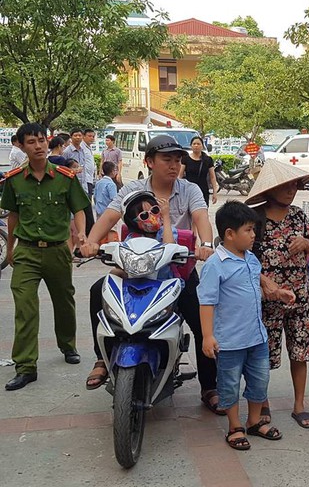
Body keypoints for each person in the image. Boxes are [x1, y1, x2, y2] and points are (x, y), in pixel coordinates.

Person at [79, 135, 218, 412]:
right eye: (167, 159)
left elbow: (202, 219)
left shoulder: (189, 190)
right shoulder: (133, 189)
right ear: (149, 162)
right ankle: (101, 359)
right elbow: (109, 215)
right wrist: (90, 243)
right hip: (136, 268)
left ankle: (210, 386)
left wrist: (204, 245)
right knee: (99, 290)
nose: (174, 165)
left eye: (178, 160)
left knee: (203, 317)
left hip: (179, 269)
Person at [1, 123, 90, 391]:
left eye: (41, 140)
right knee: (25, 307)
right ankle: (26, 366)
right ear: (21, 146)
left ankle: (68, 345)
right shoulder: (15, 180)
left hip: (56, 251)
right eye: (31, 142)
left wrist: (82, 235)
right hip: (26, 251)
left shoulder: (65, 177)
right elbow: (13, 216)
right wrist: (10, 248)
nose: (38, 146)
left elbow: (79, 209)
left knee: (64, 301)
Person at [199, 201, 286, 450]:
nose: (253, 235)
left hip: (256, 337)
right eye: (248, 230)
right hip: (229, 342)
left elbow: (255, 286)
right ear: (229, 234)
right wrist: (207, 336)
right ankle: (235, 426)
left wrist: (277, 292)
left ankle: (255, 421)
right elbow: (206, 302)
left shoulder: (251, 258)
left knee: (260, 380)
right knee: (229, 384)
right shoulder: (215, 265)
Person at [245, 160, 309, 428]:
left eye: (294, 185)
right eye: (285, 185)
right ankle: (261, 401)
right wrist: (264, 281)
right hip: (266, 300)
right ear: (270, 189)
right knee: (262, 354)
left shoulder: (300, 216)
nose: (291, 190)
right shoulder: (254, 219)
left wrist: (306, 243)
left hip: (299, 298)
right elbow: (241, 256)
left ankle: (299, 404)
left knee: (300, 352)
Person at [63, 128, 95, 236]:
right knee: (77, 213)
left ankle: (89, 237)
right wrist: (74, 171)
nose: (78, 137)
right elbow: (63, 169)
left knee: (88, 213)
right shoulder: (67, 151)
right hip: (73, 186)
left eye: (79, 135)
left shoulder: (83, 150)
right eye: (75, 135)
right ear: (71, 137)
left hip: (84, 185)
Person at [179, 136, 218, 206]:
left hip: (203, 191)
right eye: (194, 144)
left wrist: (215, 192)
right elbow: (180, 175)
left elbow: (212, 177)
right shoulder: (185, 159)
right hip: (189, 191)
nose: (196, 145)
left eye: (198, 144)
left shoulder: (208, 160)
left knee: (203, 211)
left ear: (202, 146)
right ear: (191, 146)